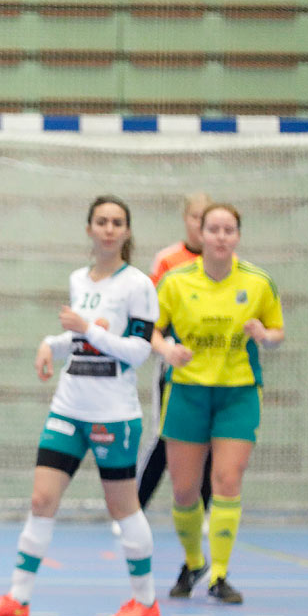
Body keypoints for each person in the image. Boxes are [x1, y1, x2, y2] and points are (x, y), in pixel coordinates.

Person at [0, 197, 162, 616]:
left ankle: (145, 600)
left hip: (113, 413)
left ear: (127, 232)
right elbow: (79, 340)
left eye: (117, 223)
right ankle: (18, 598)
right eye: (102, 222)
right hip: (69, 407)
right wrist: (51, 343)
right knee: (41, 499)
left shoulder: (138, 285)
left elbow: (138, 351)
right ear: (90, 229)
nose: (109, 229)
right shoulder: (80, 278)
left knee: (123, 507)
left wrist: (87, 329)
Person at [150, 203, 284, 604]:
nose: (222, 236)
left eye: (229, 229)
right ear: (200, 234)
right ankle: (195, 562)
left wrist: (264, 335)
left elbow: (278, 333)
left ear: (238, 236)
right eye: (214, 229)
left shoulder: (258, 282)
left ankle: (220, 574)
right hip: (188, 391)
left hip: (238, 392)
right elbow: (151, 333)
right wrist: (166, 349)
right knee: (184, 490)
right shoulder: (174, 281)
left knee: (227, 481)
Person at [136, 191, 215, 513]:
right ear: (186, 219)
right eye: (196, 217)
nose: (201, 224)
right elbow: (153, 314)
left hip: (215, 368)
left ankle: (205, 512)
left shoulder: (223, 262)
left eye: (207, 218)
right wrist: (166, 348)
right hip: (176, 366)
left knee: (211, 439)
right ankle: (135, 508)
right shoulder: (168, 260)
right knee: (166, 435)